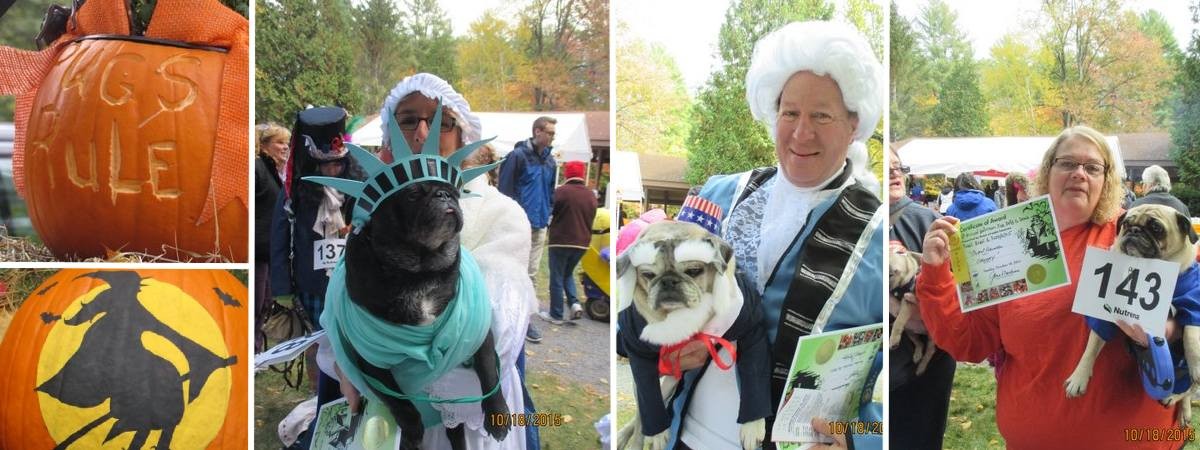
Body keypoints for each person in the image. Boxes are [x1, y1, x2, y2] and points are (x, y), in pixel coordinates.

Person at [645, 21, 885, 450]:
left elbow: (894, 396)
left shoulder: (880, 238)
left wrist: (857, 441)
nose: (801, 132)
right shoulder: (718, 194)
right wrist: (678, 336)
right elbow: (655, 303)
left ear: (854, 125)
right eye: (790, 112)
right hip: (686, 437)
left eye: (821, 116)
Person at [917, 125, 1179, 448]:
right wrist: (935, 274)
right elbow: (970, 341)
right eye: (1067, 163)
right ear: (1048, 171)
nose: (1079, 174)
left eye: (1092, 167)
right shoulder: (1011, 238)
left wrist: (1169, 330)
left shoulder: (1140, 232)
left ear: (1106, 179)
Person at [317, 73, 538, 450]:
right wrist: (346, 363)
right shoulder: (373, 216)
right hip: (386, 412)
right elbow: (343, 308)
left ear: (463, 135)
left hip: (468, 412)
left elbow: (499, 326)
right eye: (408, 119)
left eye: (441, 121)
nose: (422, 133)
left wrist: (386, 375)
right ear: (389, 138)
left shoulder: (502, 213)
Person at [270, 107, 360, 400]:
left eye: (337, 164)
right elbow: (280, 241)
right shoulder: (292, 194)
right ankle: (322, 396)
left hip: (353, 284)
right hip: (312, 286)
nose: (332, 171)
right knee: (321, 346)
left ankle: (356, 397)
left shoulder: (359, 189)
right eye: (325, 165)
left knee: (354, 344)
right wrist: (282, 288)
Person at [886, 146, 954, 449]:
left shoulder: (928, 220)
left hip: (924, 372)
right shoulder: (851, 220)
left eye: (898, 167)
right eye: (886, 168)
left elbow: (962, 288)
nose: (893, 174)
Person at [498, 116, 558, 343]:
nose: (553, 137)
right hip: (518, 223)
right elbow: (505, 190)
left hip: (540, 223)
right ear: (537, 131)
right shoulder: (518, 157)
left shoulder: (551, 162)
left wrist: (548, 213)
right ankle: (506, 314)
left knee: (531, 273)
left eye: (554, 133)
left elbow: (551, 191)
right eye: (550, 132)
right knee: (512, 269)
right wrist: (509, 219)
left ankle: (526, 320)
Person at [543, 161, 597, 324]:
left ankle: (556, 314)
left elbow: (550, 211)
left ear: (567, 174)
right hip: (582, 243)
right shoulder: (590, 196)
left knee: (557, 276)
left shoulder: (561, 192)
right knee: (567, 274)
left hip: (561, 240)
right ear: (582, 174)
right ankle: (574, 303)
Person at [255, 123, 289, 351]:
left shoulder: (279, 172)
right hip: (256, 250)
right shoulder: (257, 169)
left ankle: (256, 350)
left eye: (287, 143)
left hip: (269, 251)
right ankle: (251, 351)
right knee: (256, 304)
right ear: (264, 145)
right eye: (279, 142)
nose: (285, 147)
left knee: (266, 303)